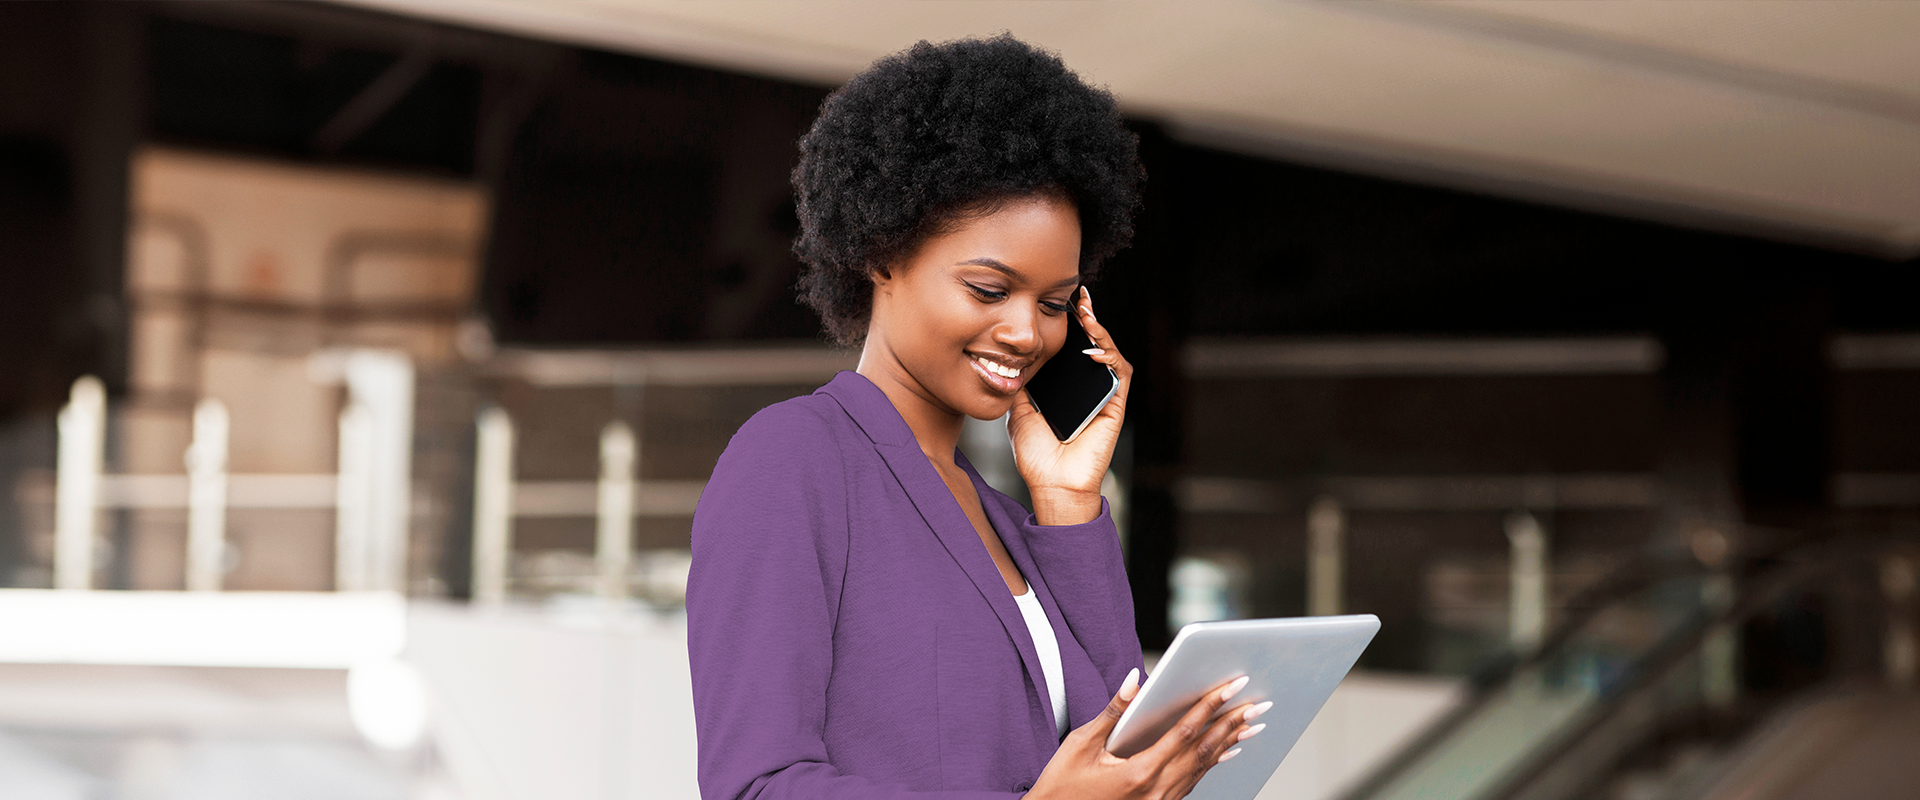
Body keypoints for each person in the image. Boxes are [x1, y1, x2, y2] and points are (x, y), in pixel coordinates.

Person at [687, 35, 1267, 799]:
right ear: (882, 255)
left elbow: (1117, 747)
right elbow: (755, 785)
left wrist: (1067, 508)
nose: (1029, 333)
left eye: (1056, 303)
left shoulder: (1009, 520)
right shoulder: (795, 458)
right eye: (991, 290)